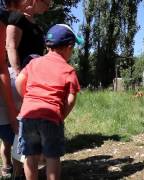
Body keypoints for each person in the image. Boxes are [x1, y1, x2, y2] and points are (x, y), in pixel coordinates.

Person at [15, 24, 82, 180]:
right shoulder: (68, 70)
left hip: (28, 115)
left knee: (30, 155)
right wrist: (61, 114)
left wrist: (28, 99)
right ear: (69, 47)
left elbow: (19, 81)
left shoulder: (33, 63)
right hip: (51, 116)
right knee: (52, 156)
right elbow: (71, 98)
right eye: (72, 50)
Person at [0, 0, 33, 177]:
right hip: (10, 81)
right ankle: (14, 171)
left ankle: (13, 171)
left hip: (8, 81)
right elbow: (8, 52)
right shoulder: (10, 19)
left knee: (10, 134)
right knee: (13, 132)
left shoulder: (10, 18)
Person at [6, 0, 51, 75]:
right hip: (19, 75)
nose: (47, 9)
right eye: (47, 4)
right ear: (36, 1)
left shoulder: (37, 27)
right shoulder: (18, 18)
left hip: (32, 75)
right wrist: (18, 73)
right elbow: (11, 46)